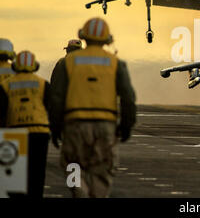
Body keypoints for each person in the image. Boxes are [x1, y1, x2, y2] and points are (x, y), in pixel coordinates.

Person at [49, 17, 136, 198]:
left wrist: (55, 127)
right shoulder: (115, 63)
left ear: (83, 36)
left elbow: (56, 98)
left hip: (75, 125)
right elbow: (128, 98)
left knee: (72, 166)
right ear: (107, 39)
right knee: (102, 170)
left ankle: (80, 193)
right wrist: (126, 126)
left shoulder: (67, 63)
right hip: (105, 126)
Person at [0, 50, 51, 198]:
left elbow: (1, 112)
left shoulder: (5, 85)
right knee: (37, 173)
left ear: (15, 66)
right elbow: (51, 107)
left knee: (15, 177)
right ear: (34, 66)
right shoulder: (43, 84)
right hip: (39, 133)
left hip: (14, 132)